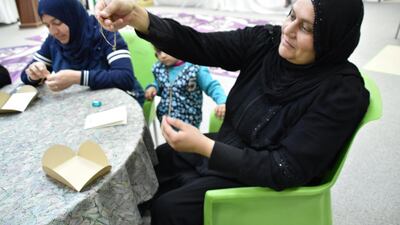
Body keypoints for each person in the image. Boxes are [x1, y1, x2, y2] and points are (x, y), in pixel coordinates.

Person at [96, 0, 369, 224]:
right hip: (234, 146)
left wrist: (205, 147)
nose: (289, 29)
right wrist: (137, 16)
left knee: (170, 207)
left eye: (306, 28)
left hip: (266, 177)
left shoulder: (342, 93)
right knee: (158, 160)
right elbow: (200, 45)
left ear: (331, 38)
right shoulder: (267, 42)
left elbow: (284, 168)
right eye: (292, 15)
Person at [20, 0, 144, 105]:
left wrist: (77, 78)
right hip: (81, 105)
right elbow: (25, 76)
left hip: (120, 102)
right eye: (47, 25)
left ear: (72, 16)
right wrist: (33, 73)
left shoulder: (104, 31)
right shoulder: (53, 40)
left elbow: (125, 77)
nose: (53, 31)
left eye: (57, 23)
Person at [145, 49, 227, 128]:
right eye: (158, 52)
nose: (162, 56)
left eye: (166, 50)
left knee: (189, 142)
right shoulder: (160, 68)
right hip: (164, 119)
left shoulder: (195, 68)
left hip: (189, 122)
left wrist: (222, 102)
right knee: (170, 142)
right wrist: (153, 87)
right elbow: (159, 83)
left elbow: (212, 86)